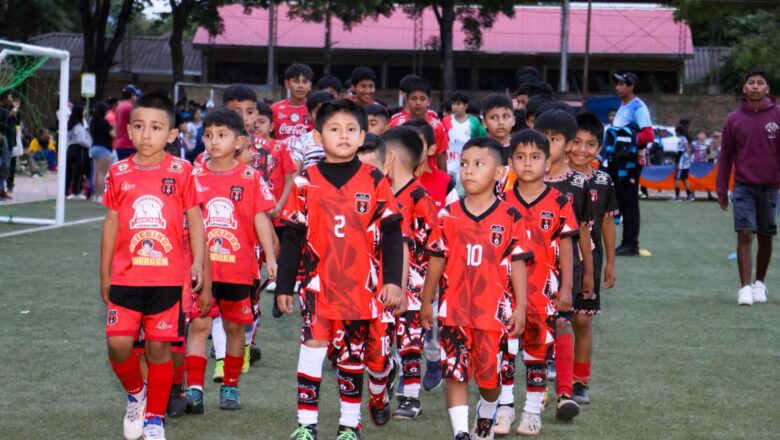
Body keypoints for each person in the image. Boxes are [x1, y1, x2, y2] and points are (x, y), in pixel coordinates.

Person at [275, 100, 405, 440]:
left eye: (351, 129)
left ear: (363, 136)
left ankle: (350, 425)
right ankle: (306, 424)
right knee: (312, 351)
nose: (343, 136)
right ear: (318, 137)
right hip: (317, 286)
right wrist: (285, 287)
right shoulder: (305, 181)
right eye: (334, 129)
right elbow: (292, 236)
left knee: (351, 355)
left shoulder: (375, 179)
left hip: (360, 288)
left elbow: (392, 233)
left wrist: (393, 280)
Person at [100, 92, 209, 440]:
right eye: (139, 126)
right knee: (118, 345)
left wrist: (200, 267)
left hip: (168, 279)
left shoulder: (183, 170)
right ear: (129, 132)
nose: (147, 134)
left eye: (156, 127)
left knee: (159, 348)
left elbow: (195, 220)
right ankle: (136, 394)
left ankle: (154, 420)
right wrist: (104, 273)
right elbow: (111, 224)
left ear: (172, 135)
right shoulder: (118, 172)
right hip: (126, 276)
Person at [421, 137, 532, 440]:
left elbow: (519, 264)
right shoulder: (447, 215)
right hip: (454, 309)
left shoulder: (511, 217)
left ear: (499, 173)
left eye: (479, 165)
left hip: (493, 314)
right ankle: (460, 432)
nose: (469, 171)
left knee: (489, 380)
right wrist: (426, 300)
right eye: (465, 164)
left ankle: (487, 411)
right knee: (454, 372)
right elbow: (436, 259)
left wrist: (521, 307)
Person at [185, 108, 277, 412]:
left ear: (238, 141)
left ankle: (231, 386)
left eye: (221, 135)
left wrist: (272, 259)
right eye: (208, 135)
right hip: (201, 269)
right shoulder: (193, 176)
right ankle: (195, 389)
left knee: (235, 328)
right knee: (198, 326)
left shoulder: (250, 178)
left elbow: (261, 218)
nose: (213, 141)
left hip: (239, 269)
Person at [499, 129, 577, 436]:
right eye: (520, 157)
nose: (527, 164)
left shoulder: (559, 202)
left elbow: (568, 247)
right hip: (504, 295)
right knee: (503, 354)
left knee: (536, 356)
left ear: (548, 162)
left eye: (535, 157)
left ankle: (531, 412)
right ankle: (504, 408)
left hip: (543, 293)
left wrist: (567, 287)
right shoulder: (501, 202)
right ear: (510, 162)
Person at [536, 108, 594, 421]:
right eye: (543, 138)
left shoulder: (579, 184)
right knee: (535, 331)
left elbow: (583, 232)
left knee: (562, 324)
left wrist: (587, 273)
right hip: (529, 270)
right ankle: (538, 392)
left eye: (555, 139)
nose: (548, 144)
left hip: (564, 270)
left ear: (568, 144)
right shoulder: (525, 179)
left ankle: (564, 393)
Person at [716, 68, 780, 306]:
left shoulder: (777, 115)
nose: (755, 86)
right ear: (744, 88)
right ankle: (744, 287)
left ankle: (759, 283)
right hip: (743, 187)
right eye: (750, 82)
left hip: (771, 187)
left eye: (760, 83)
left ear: (767, 89)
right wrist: (722, 189)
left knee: (766, 236)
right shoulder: (734, 119)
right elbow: (726, 157)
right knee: (745, 233)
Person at [569, 113, 619, 404]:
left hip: (591, 262)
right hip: (557, 262)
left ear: (599, 148)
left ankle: (580, 382)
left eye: (590, 144)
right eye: (576, 142)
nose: (581, 149)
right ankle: (556, 379)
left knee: (583, 322)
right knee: (557, 323)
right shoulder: (551, 177)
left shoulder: (603, 181)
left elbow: (608, 224)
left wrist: (610, 261)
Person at [611, 72, 654, 256]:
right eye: (617, 84)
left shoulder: (638, 107)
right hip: (620, 161)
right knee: (622, 200)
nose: (617, 87)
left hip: (631, 162)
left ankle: (631, 243)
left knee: (629, 202)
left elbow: (648, 134)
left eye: (621, 84)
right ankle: (626, 241)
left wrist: (626, 141)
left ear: (631, 86)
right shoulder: (624, 105)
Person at [389, 77, 449, 171]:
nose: (418, 103)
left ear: (429, 101)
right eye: (413, 98)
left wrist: (444, 182)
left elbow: (441, 157)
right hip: (402, 174)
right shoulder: (396, 125)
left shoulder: (438, 127)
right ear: (407, 101)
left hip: (430, 175)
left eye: (422, 98)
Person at [441, 90, 487, 182]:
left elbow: (482, 140)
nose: (455, 107)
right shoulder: (446, 121)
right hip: (450, 162)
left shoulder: (474, 122)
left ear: (465, 106)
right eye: (453, 104)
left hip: (468, 162)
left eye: (458, 104)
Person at [288, 91, 334, 171]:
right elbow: (295, 172)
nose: (323, 116)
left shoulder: (344, 137)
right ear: (309, 115)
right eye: (318, 112)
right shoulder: (302, 141)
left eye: (328, 112)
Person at [273, 64, 314, 143]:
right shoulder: (275, 109)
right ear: (287, 83)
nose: (300, 86)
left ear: (310, 85)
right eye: (296, 81)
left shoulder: (314, 110)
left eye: (305, 82)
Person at [90, 101, 115, 203]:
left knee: (96, 173)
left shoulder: (93, 121)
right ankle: (101, 195)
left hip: (94, 147)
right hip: (103, 149)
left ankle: (95, 195)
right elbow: (113, 134)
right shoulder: (103, 122)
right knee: (102, 173)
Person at [65, 104, 91, 200]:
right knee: (78, 170)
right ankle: (76, 191)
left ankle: (66, 191)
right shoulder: (78, 126)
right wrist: (89, 144)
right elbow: (81, 140)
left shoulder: (70, 124)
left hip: (70, 148)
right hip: (78, 149)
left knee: (69, 171)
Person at [0, 91, 19, 199]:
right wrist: (14, 109)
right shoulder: (3, 111)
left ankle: (2, 189)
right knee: (2, 166)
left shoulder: (9, 109)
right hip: (2, 143)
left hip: (9, 141)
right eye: (9, 98)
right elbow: (10, 115)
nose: (11, 100)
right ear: (3, 99)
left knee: (5, 167)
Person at [114, 84, 140, 161]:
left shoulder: (119, 107)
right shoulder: (130, 107)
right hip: (129, 145)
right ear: (132, 95)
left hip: (120, 144)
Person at [672, 125, 694, 202]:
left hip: (681, 162)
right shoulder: (685, 139)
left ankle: (677, 196)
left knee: (676, 178)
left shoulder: (681, 140)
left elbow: (680, 151)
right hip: (686, 162)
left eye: (676, 132)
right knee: (685, 178)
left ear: (678, 132)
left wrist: (676, 162)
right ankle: (689, 196)